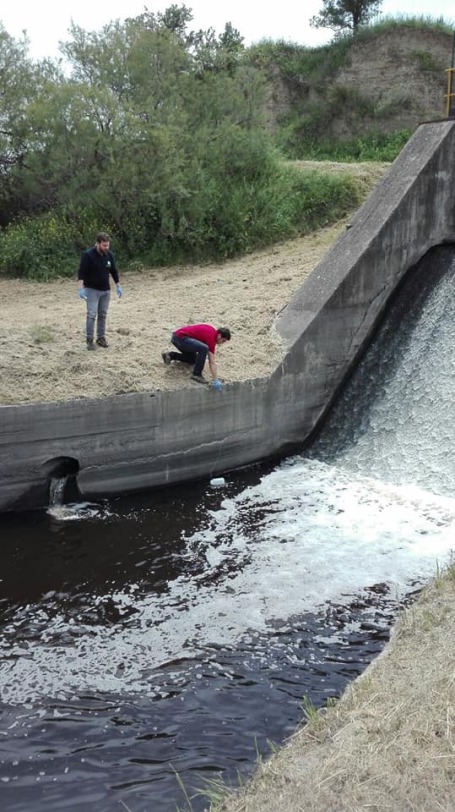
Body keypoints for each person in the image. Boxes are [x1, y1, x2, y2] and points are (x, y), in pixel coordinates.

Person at [77, 232, 122, 350]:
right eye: (104, 245)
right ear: (97, 244)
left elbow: (113, 270)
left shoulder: (109, 255)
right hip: (92, 290)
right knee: (91, 314)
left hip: (105, 290)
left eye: (108, 245)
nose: (106, 248)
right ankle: (89, 340)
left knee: (102, 314)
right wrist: (81, 288)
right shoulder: (88, 255)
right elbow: (81, 272)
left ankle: (101, 338)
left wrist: (118, 285)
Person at [162, 324, 231, 388]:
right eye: (223, 341)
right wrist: (216, 379)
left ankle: (170, 355)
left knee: (193, 359)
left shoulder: (211, 331)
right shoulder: (211, 337)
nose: (222, 343)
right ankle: (197, 374)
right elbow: (211, 362)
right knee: (204, 348)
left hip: (177, 338)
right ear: (219, 336)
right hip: (181, 339)